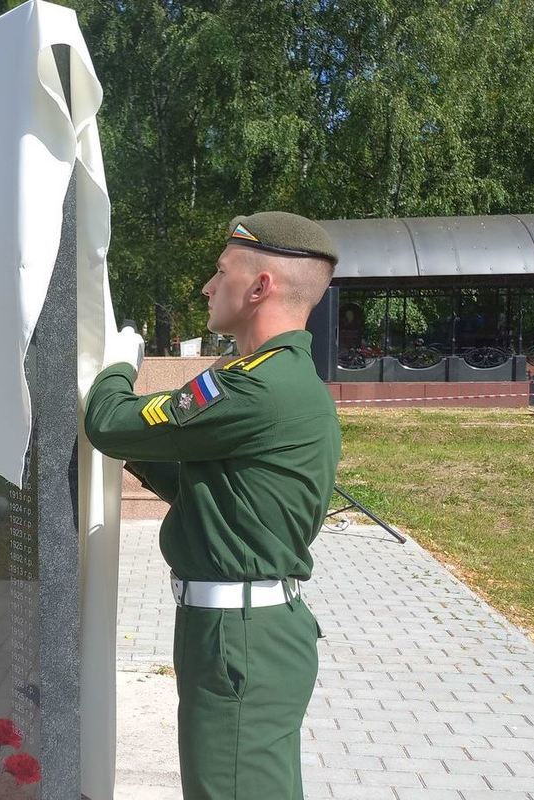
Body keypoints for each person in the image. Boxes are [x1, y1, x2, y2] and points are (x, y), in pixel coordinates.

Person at [83, 211, 341, 800]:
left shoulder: (258, 387)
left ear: (260, 287)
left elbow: (107, 421)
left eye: (221, 272)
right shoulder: (269, 377)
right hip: (237, 631)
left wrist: (117, 367)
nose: (206, 286)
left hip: (239, 637)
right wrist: (147, 449)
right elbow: (214, 489)